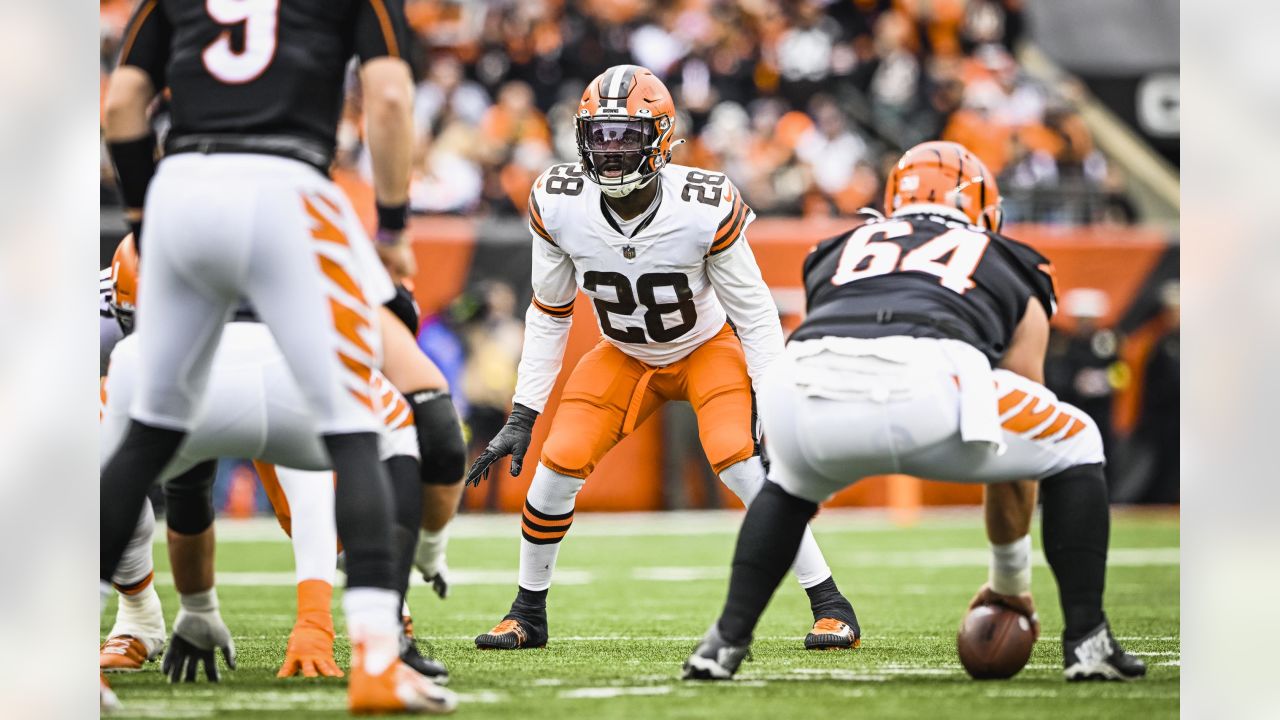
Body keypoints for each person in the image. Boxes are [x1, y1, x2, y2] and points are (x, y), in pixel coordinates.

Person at [683, 140, 1147, 683]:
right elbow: (1025, 415)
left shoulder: (836, 248)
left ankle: (723, 643)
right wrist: (1009, 582)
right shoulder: (1006, 258)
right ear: (981, 210)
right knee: (1076, 440)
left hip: (801, 385)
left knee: (788, 486)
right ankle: (1088, 641)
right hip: (927, 382)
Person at [100, 1, 448, 712]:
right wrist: (393, 223)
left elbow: (124, 104)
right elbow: (387, 94)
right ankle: (378, 656)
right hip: (289, 185)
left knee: (148, 434)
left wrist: (143, 217)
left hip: (184, 190)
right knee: (354, 428)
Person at [466, 65, 859, 652]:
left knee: (741, 463)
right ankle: (527, 612)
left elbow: (753, 315)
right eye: (599, 136)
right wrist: (523, 413)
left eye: (625, 136)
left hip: (706, 347)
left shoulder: (704, 204)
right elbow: (550, 312)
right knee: (555, 468)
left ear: (661, 139)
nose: (611, 152)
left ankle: (831, 604)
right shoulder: (559, 200)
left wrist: (776, 405)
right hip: (624, 354)